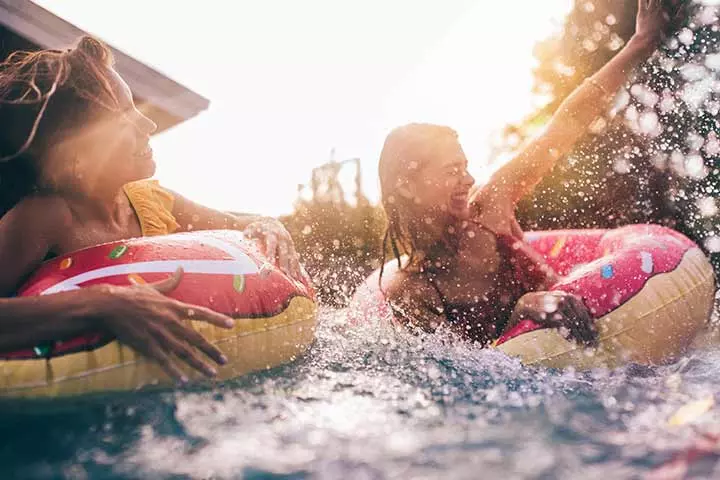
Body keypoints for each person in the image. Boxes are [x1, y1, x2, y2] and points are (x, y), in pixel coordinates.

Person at [377, 0, 680, 347]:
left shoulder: (488, 205)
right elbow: (457, 375)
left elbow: (565, 125)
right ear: (407, 187)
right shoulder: (414, 290)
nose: (469, 180)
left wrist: (639, 43)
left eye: (465, 167)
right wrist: (521, 309)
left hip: (603, 343)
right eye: (451, 171)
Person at [0, 36, 303, 382]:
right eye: (122, 119)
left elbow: (239, 225)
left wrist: (269, 226)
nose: (148, 125)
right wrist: (101, 303)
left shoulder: (150, 202)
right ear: (75, 156)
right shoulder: (46, 217)